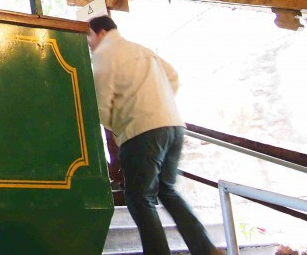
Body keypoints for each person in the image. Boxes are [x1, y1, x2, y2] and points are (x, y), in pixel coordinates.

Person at [87, 15, 221, 255]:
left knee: (139, 198)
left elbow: (101, 104)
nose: (89, 43)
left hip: (141, 132)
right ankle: (205, 249)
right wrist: (160, 104)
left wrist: (117, 126)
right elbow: (173, 76)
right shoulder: (143, 50)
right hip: (174, 127)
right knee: (166, 190)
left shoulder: (104, 54)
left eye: (89, 36)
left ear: (101, 32)